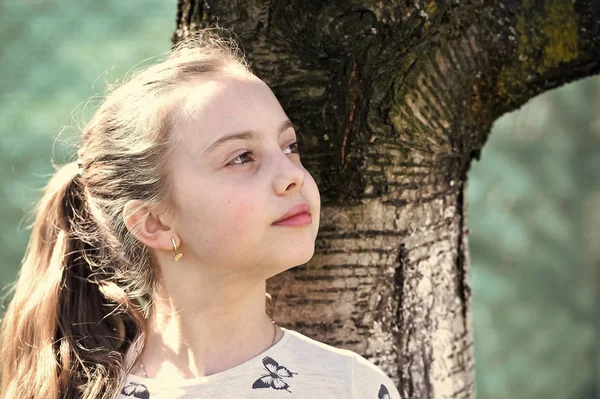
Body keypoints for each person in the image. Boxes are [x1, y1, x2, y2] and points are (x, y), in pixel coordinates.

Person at [0, 28, 401, 399]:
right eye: (242, 157)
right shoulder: (78, 391)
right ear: (154, 222)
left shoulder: (350, 387)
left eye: (289, 146)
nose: (292, 176)